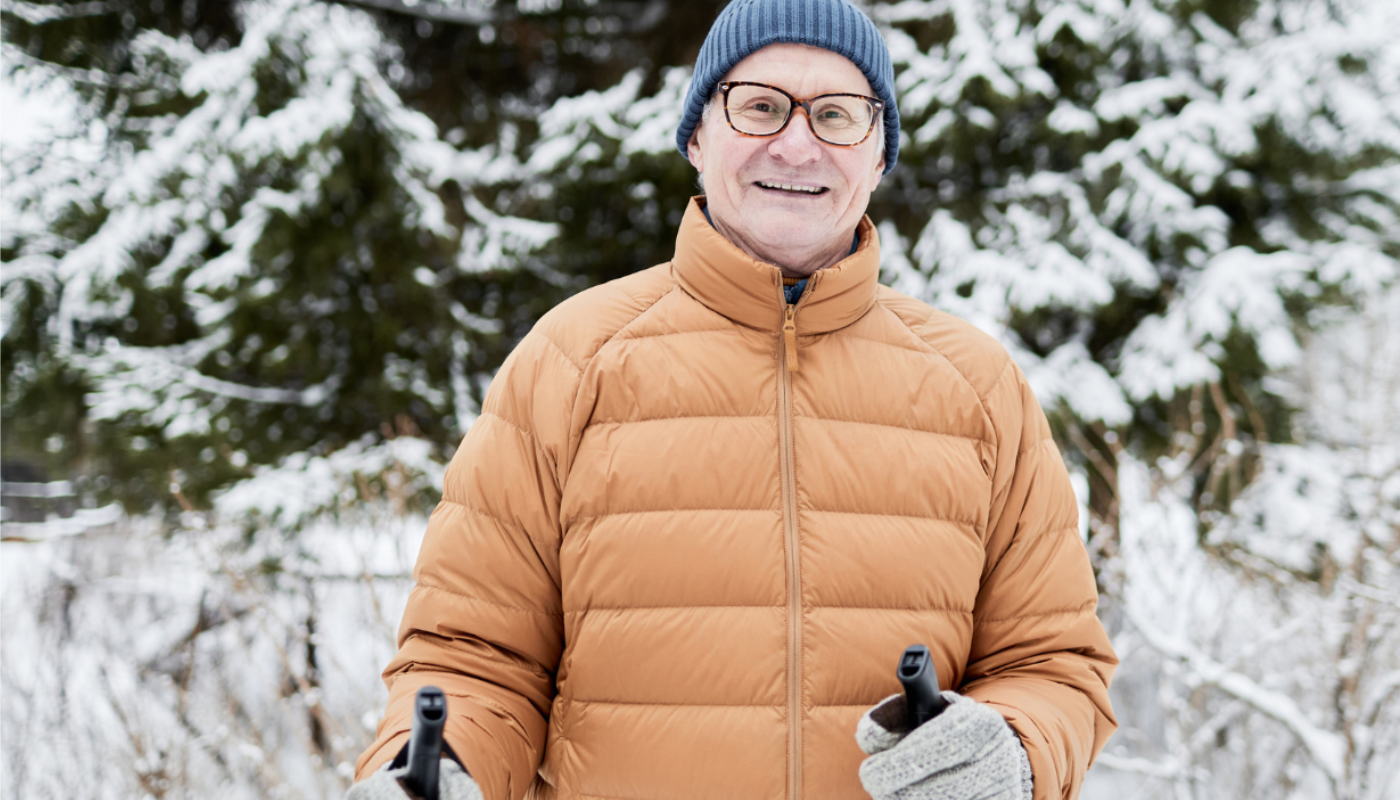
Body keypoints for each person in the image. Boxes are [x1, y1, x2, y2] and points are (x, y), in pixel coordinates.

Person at [349, 1, 1117, 799]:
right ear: (696, 137)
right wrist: (435, 776)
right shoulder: (571, 361)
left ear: (879, 155)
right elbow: (473, 658)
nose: (796, 142)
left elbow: (1053, 664)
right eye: (759, 105)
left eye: (837, 114)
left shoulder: (977, 386)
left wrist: (1015, 753)